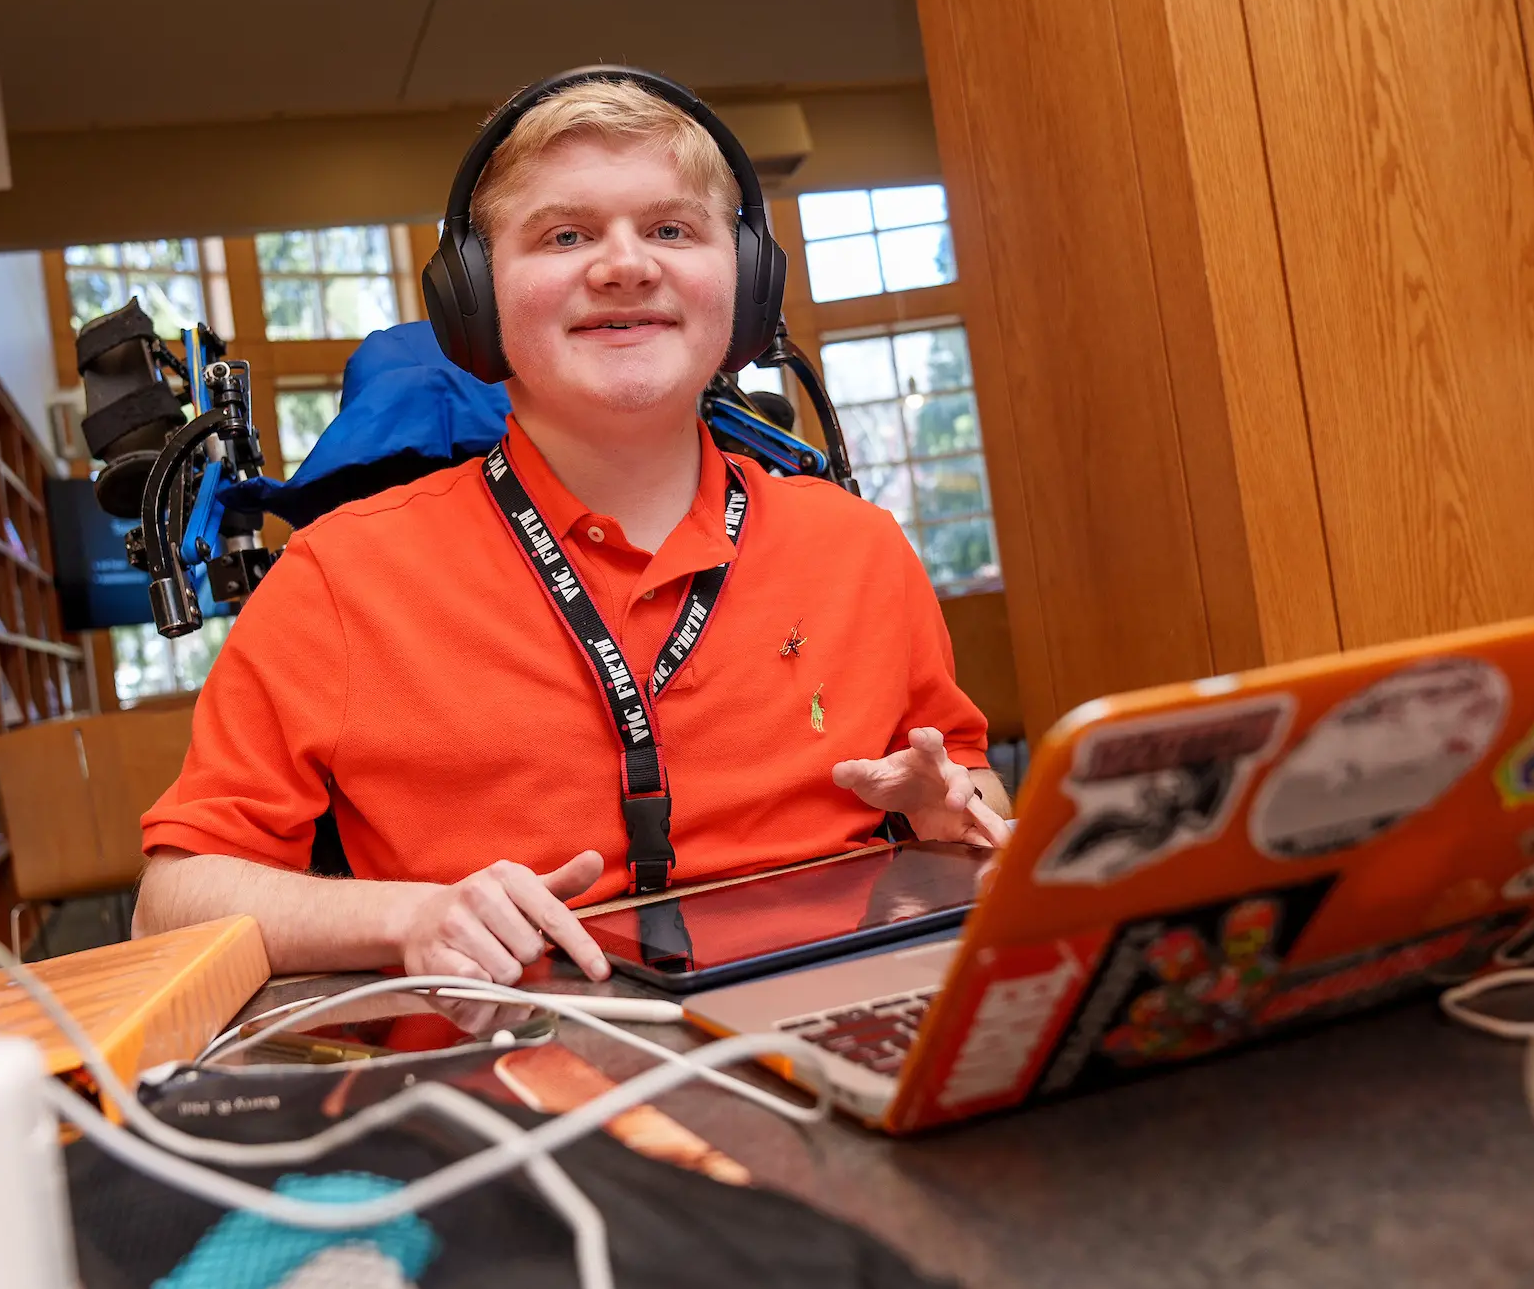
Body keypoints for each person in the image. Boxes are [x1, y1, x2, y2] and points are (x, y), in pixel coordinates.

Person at [135, 70, 1010, 984]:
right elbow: (174, 901)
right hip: (506, 1083)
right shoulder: (334, 578)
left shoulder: (858, 545)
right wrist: (407, 917)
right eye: (565, 234)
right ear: (473, 302)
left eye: (672, 229)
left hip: (835, 1033)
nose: (626, 265)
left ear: (746, 285)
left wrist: (951, 814)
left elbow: (967, 780)